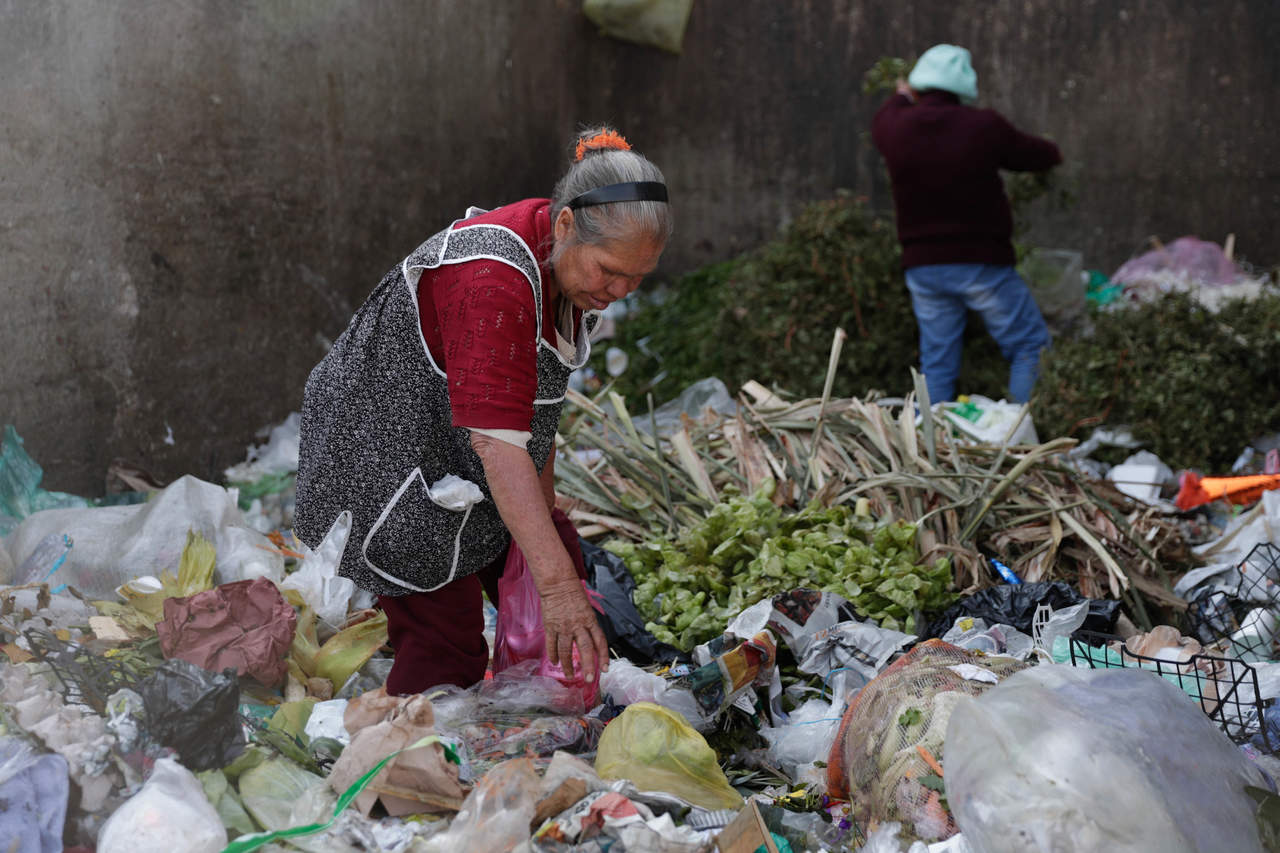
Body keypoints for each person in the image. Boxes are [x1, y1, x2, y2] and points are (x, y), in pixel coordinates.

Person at [294, 126, 670, 695]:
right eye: (610, 271)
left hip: (462, 453)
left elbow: (532, 411)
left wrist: (548, 550)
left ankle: (536, 715)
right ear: (565, 224)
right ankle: (409, 763)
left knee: (560, 567)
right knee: (446, 647)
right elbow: (496, 443)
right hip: (387, 455)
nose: (619, 289)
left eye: (637, 278)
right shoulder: (491, 277)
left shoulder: (570, 270)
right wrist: (556, 588)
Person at [871, 44, 1062, 404]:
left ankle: (930, 450)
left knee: (937, 364)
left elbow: (884, 115)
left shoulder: (895, 127)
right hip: (980, 265)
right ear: (963, 86)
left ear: (917, 86)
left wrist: (900, 94)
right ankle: (1023, 440)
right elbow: (1038, 155)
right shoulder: (983, 127)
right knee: (1029, 347)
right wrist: (1055, 152)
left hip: (924, 270)